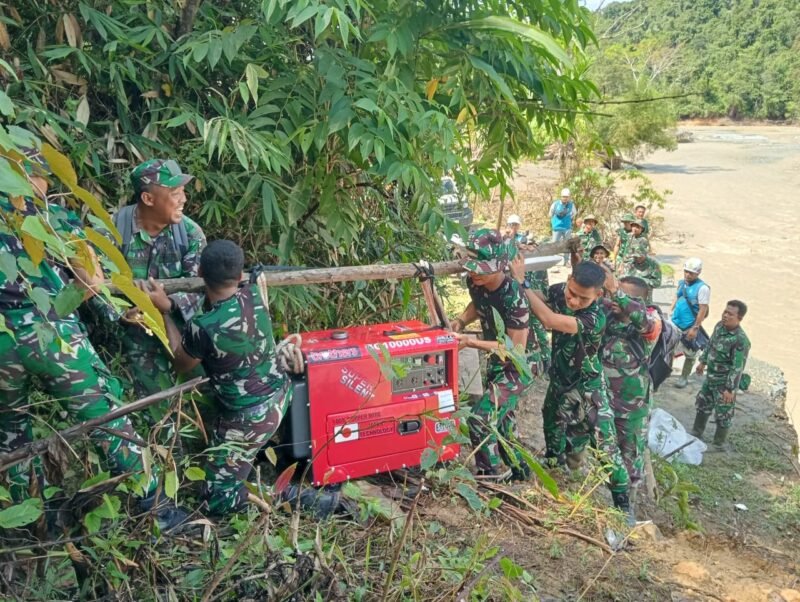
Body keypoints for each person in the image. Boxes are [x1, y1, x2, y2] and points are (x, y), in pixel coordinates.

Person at [0, 151, 184, 528]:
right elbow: (92, 282)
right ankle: (154, 507)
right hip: (54, 336)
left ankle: (22, 525)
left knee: (10, 430)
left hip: (2, 341)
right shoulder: (53, 217)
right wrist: (54, 310)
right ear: (39, 179)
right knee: (106, 417)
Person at [143, 240, 294, 514]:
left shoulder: (204, 327)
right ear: (239, 276)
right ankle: (244, 469)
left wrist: (164, 311)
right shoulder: (253, 295)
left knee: (215, 500)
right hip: (279, 397)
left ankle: (292, 497)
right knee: (229, 463)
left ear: (199, 271)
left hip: (249, 419)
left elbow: (181, 361)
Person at [511, 259, 633, 517]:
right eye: (571, 293)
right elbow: (541, 297)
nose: (574, 301)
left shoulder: (594, 317)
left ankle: (624, 509)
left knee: (606, 448)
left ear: (598, 295)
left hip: (588, 388)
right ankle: (555, 472)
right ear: (568, 280)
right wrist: (522, 284)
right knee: (551, 425)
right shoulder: (560, 292)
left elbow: (549, 319)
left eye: (583, 298)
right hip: (560, 381)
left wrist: (522, 282)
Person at [102, 159, 207, 401]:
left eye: (182, 192)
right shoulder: (111, 231)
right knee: (137, 402)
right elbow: (94, 285)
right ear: (148, 199)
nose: (183, 200)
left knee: (204, 393)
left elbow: (199, 286)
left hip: (182, 330)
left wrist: (168, 305)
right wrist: (119, 315)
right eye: (174, 193)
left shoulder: (190, 234)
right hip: (128, 338)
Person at [450, 229, 532, 481]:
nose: (473, 272)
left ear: (498, 268)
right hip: (497, 357)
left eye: (480, 268)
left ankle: (489, 476)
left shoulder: (513, 296)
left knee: (482, 416)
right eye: (471, 267)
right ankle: (520, 472)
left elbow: (515, 351)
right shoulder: (476, 281)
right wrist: (461, 321)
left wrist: (471, 343)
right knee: (503, 421)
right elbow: (479, 304)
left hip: (521, 363)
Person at [601, 276, 661, 502]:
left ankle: (627, 504)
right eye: (615, 293)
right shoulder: (608, 313)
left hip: (631, 405)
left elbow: (645, 325)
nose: (616, 299)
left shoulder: (650, 322)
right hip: (602, 399)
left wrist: (617, 293)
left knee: (630, 454)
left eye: (624, 295)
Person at [690, 301, 750, 449]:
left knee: (723, 414)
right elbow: (711, 344)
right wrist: (702, 362)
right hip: (711, 377)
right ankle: (696, 433)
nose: (725, 315)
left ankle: (718, 444)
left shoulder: (740, 340)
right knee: (703, 404)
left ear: (739, 318)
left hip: (724, 383)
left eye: (730, 314)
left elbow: (737, 367)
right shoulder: (719, 326)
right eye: (725, 312)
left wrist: (730, 389)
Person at [670, 258, 710, 388]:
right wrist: (671, 310)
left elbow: (703, 309)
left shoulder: (702, 288)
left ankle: (684, 377)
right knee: (669, 349)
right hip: (675, 323)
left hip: (689, 326)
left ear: (698, 273)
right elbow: (677, 296)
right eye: (686, 271)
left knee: (690, 353)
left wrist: (695, 327)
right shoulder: (682, 283)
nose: (687, 274)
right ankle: (666, 371)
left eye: (691, 273)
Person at [549, 188, 577, 265]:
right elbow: (550, 214)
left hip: (567, 228)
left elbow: (574, 214)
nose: (565, 198)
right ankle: (552, 261)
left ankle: (566, 261)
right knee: (554, 244)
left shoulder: (571, 205)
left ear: (569, 197)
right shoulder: (555, 204)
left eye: (567, 197)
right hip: (557, 228)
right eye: (564, 196)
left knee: (567, 245)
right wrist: (554, 222)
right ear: (561, 196)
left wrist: (568, 220)